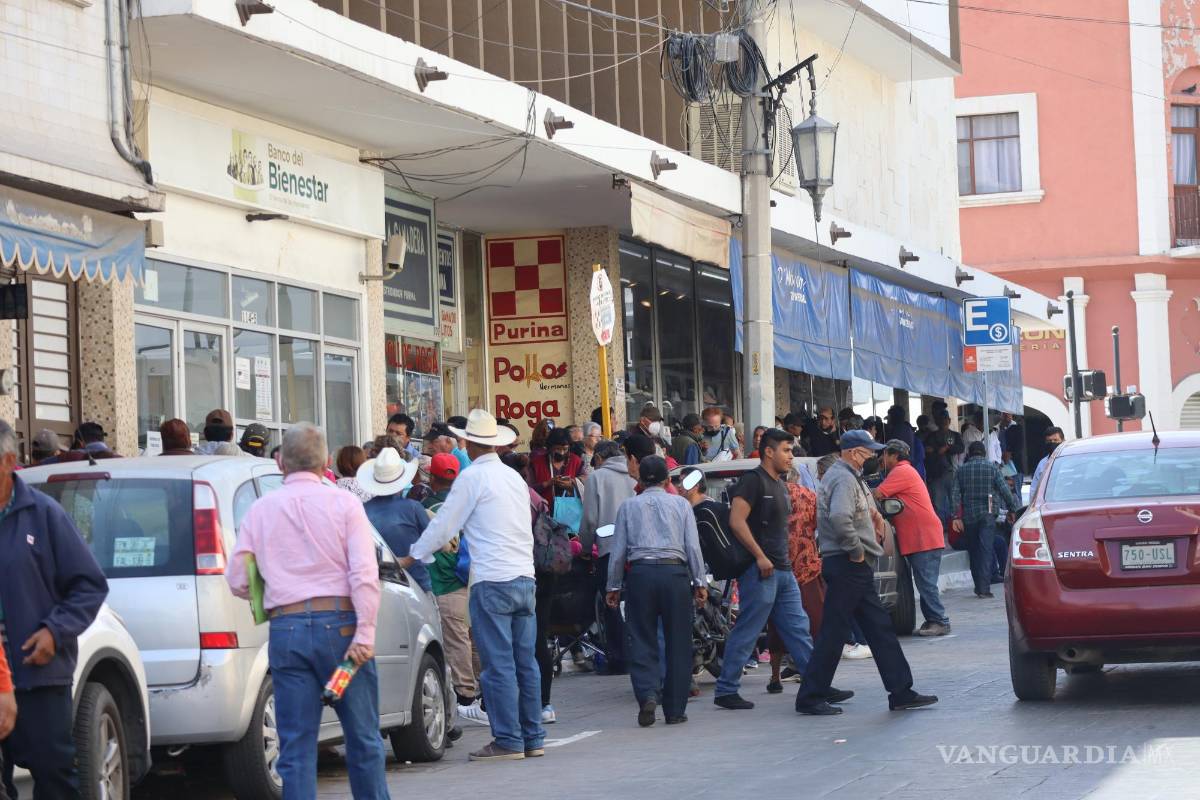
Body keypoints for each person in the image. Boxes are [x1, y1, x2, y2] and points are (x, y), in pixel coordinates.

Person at [227, 424, 390, 798]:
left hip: (287, 629)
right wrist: (365, 633)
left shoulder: (261, 510)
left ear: (280, 462)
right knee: (363, 739)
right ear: (326, 461)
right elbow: (364, 573)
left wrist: (270, 586)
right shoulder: (345, 505)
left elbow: (237, 578)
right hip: (343, 631)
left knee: (296, 746)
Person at [400, 410, 545, 761]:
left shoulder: (472, 477)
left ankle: (508, 739)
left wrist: (414, 555)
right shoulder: (512, 477)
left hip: (492, 580)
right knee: (525, 662)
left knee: (498, 665)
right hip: (524, 576)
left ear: (469, 442)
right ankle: (533, 736)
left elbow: (444, 525)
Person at [1, 416, 109, 800]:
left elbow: (89, 585)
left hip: (38, 675)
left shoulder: (44, 514)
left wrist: (55, 630)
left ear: (8, 462)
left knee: (55, 777)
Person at [795, 429, 937, 716]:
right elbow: (839, 517)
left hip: (851, 565)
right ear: (852, 452)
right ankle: (811, 695)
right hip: (848, 563)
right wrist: (856, 550)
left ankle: (900, 691)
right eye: (867, 450)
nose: (872, 455)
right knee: (836, 632)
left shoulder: (849, 475)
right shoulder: (843, 478)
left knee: (878, 629)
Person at [713, 429, 817, 711]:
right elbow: (736, 521)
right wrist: (760, 557)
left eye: (791, 451)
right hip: (760, 571)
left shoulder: (780, 485)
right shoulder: (752, 481)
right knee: (748, 630)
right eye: (786, 450)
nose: (791, 456)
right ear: (769, 452)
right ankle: (726, 690)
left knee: (798, 629)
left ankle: (816, 684)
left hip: (783, 570)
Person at [606, 456, 706, 727]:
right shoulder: (681, 505)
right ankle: (675, 710)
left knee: (641, 638)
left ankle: (648, 693)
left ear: (639, 481)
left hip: (640, 575)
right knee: (678, 642)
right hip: (675, 575)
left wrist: (613, 585)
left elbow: (618, 551)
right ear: (667, 480)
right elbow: (692, 547)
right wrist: (700, 582)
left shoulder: (628, 506)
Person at [421, 454, 481, 722]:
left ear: (431, 478)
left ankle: (466, 695)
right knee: (474, 640)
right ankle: (483, 693)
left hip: (444, 583)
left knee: (457, 642)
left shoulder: (425, 507)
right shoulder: (468, 505)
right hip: (473, 579)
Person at [874, 440, 950, 636]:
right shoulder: (906, 471)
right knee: (925, 581)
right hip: (922, 536)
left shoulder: (901, 471)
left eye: (885, 455)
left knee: (926, 582)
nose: (882, 458)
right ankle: (932, 619)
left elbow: (877, 495)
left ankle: (939, 620)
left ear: (894, 455)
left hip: (923, 537)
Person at [764, 464, 824, 693]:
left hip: (778, 564)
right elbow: (819, 525)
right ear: (798, 477)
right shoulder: (809, 495)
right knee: (814, 620)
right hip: (806, 565)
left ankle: (775, 677)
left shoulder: (769, 496)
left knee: (777, 623)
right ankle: (813, 672)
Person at [579, 440, 637, 674]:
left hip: (610, 551)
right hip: (638, 550)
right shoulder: (634, 473)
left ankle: (620, 659)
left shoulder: (597, 478)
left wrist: (585, 548)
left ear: (599, 458)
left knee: (612, 604)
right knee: (636, 604)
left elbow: (590, 520)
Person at [952, 441, 1021, 599]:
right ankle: (984, 588)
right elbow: (1004, 490)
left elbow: (955, 494)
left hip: (969, 515)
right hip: (988, 514)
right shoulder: (992, 468)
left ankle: (978, 585)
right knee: (986, 549)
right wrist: (1012, 509)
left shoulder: (961, 470)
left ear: (969, 454)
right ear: (984, 453)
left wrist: (956, 517)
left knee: (974, 550)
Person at [359, 448, 430, 593]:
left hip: (377, 585)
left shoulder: (362, 510)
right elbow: (434, 541)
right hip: (417, 585)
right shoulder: (413, 508)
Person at [529, 427, 583, 511]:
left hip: (570, 512)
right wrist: (547, 483)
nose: (561, 453)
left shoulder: (576, 461)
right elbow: (528, 489)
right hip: (544, 512)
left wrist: (572, 485)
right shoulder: (536, 463)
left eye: (565, 449)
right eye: (557, 449)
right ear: (550, 447)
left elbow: (584, 484)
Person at [925, 411, 964, 525]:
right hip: (936, 474)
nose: (943, 421)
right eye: (941, 419)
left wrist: (947, 448)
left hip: (951, 472)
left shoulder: (955, 435)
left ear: (949, 420)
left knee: (954, 500)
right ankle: (941, 526)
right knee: (938, 502)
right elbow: (927, 449)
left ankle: (954, 525)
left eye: (945, 419)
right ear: (937, 421)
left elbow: (961, 448)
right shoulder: (932, 436)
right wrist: (935, 450)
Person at [1029, 427, 1065, 500]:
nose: (1052, 443)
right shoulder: (1042, 463)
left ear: (1063, 441)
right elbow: (1034, 488)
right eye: (1049, 441)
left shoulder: (1071, 461)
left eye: (1055, 440)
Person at [999, 412, 1026, 485]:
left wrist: (1009, 454)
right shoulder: (998, 428)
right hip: (1001, 465)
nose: (1006, 415)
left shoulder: (1017, 427)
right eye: (1004, 414)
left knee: (1015, 488)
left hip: (1015, 466)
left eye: (1008, 413)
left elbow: (1019, 446)